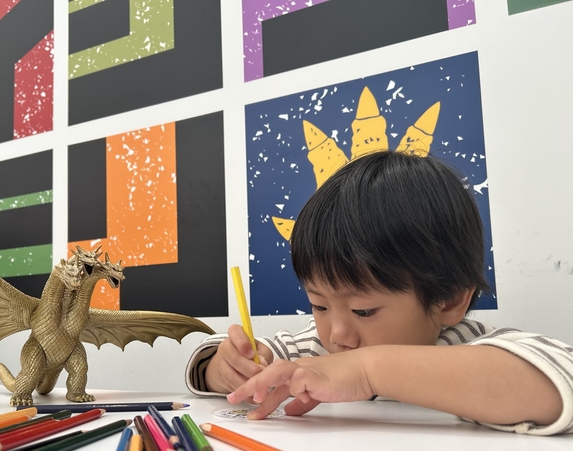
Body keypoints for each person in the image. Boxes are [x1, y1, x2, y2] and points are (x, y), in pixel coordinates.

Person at [185, 150, 573, 436]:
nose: (337, 334)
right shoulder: (318, 349)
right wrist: (226, 368)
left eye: (364, 311)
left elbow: (558, 382)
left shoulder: (473, 348)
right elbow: (231, 361)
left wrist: (368, 371)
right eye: (319, 305)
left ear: (450, 299)